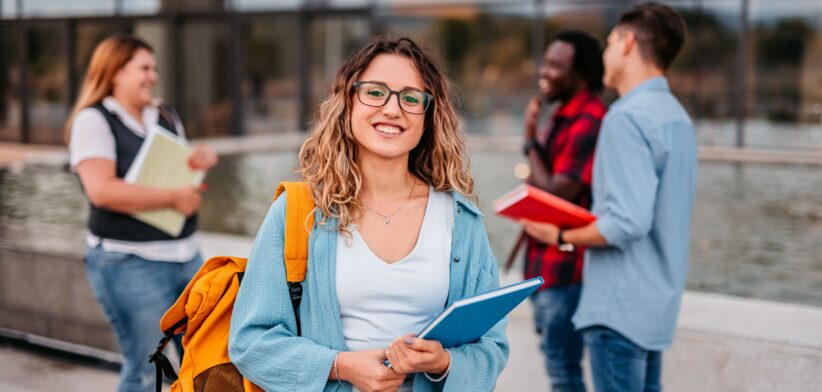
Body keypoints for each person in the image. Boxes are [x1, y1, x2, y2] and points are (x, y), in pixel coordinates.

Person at [228, 37, 508, 392]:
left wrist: (443, 363)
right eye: (375, 92)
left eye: (410, 98)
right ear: (347, 103)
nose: (393, 110)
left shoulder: (461, 222)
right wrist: (340, 366)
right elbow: (250, 342)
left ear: (428, 116)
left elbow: (492, 348)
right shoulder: (299, 211)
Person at [521, 3, 696, 391]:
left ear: (628, 42)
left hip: (617, 310)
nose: (605, 53)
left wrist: (560, 237)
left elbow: (626, 222)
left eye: (610, 42)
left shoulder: (625, 117)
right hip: (656, 309)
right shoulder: (677, 117)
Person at [66, 34, 218, 392]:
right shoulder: (94, 120)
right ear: (114, 73)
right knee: (146, 368)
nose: (153, 76)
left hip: (186, 257)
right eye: (144, 68)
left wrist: (198, 163)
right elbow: (101, 191)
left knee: (205, 361)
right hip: (131, 263)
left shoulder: (164, 114)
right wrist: (173, 198)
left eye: (155, 68)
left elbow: (177, 172)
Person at [519, 30, 605, 392]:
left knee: (563, 372)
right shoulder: (562, 116)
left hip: (566, 271)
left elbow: (556, 195)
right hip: (547, 267)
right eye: (545, 62)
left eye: (556, 65)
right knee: (558, 366)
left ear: (580, 73)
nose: (544, 71)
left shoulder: (588, 120)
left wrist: (530, 142)